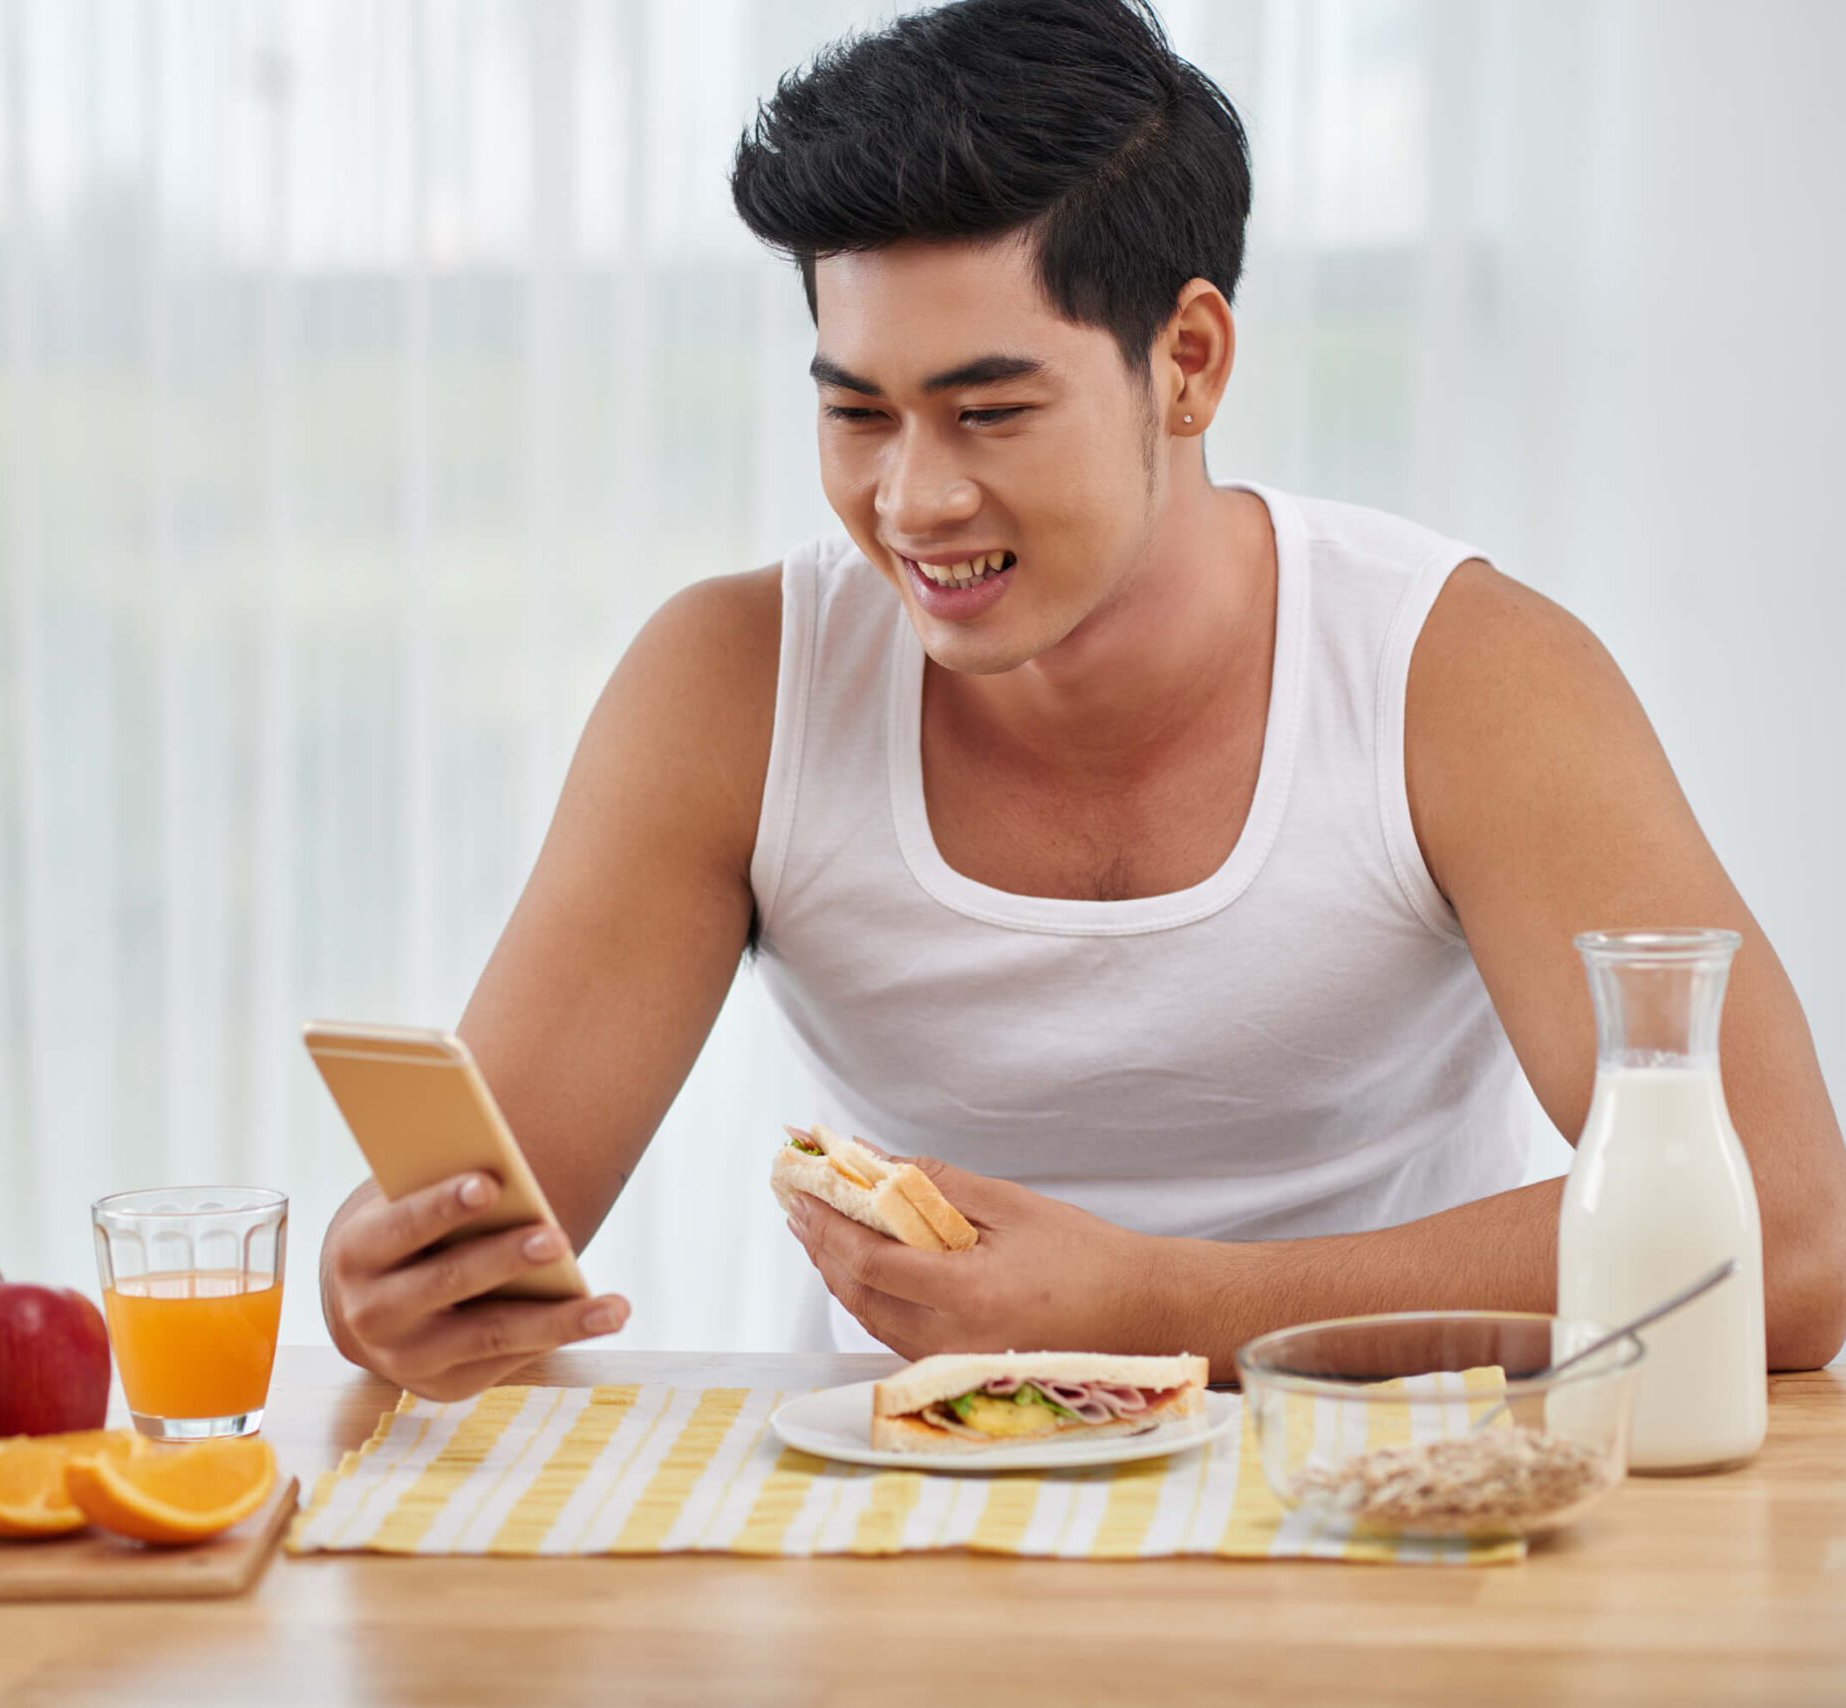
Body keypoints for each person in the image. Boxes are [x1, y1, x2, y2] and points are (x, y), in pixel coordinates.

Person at [318, 0, 1846, 1399]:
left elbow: (1781, 1243)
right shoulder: (733, 685)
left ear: (1186, 361)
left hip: (1376, 1501)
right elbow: (484, 1245)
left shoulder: (1456, 675)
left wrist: (1164, 1306)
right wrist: (391, 1283)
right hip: (901, 1518)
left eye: (990, 411)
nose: (911, 499)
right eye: (857, 414)